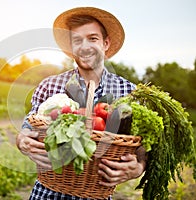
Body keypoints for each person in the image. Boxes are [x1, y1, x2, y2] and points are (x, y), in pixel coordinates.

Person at [16, 7, 147, 200]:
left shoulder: (130, 93)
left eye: (93, 38)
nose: (84, 46)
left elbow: (144, 147)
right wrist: (23, 142)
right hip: (47, 194)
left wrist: (138, 167)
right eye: (77, 40)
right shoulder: (49, 86)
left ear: (106, 43)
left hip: (98, 195)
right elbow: (26, 130)